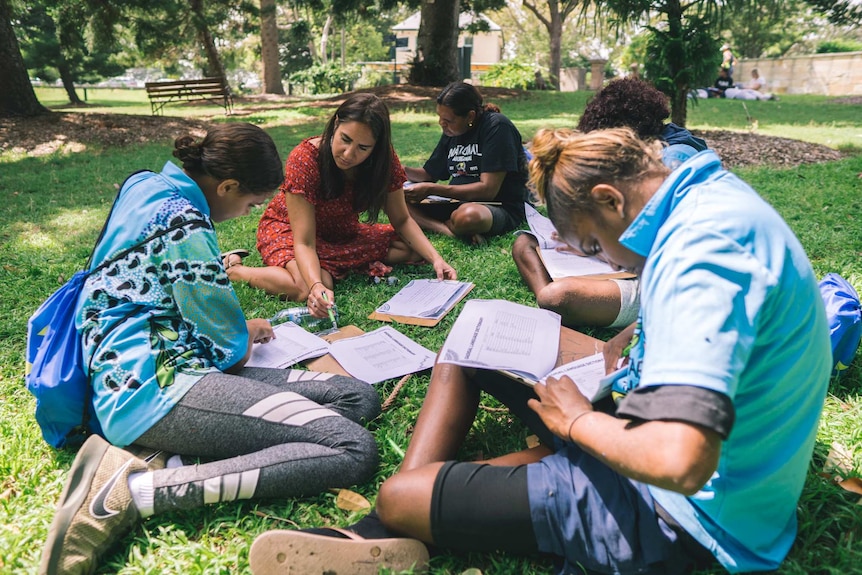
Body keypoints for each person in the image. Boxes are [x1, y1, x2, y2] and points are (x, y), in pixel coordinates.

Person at [248, 127, 832, 575]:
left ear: (611, 199)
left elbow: (681, 461)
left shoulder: (702, 260)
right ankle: (421, 512)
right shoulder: (702, 195)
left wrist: (577, 423)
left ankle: (396, 519)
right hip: (640, 418)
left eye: (595, 244)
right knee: (467, 343)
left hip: (683, 515)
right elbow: (696, 336)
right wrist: (620, 352)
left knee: (403, 496)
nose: (609, 262)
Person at [39, 124, 383, 575]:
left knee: (357, 396)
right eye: (249, 203)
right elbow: (226, 347)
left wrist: (239, 331)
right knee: (352, 446)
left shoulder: (147, 183)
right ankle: (137, 490)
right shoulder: (185, 221)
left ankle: (162, 451)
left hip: (148, 364)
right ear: (226, 186)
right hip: (153, 385)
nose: (246, 212)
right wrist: (248, 331)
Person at [224, 93, 456, 316]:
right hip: (289, 229)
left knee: (411, 250)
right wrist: (316, 284)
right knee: (304, 288)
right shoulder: (305, 158)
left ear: (376, 147)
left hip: (340, 233)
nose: (348, 154)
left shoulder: (384, 162)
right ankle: (235, 270)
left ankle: (328, 265)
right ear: (336, 124)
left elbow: (402, 220)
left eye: (363, 148)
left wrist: (436, 259)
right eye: (345, 139)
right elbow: (304, 241)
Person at [512, 77, 707, 328]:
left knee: (557, 295)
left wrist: (593, 250)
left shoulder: (668, 166)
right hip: (628, 260)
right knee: (524, 243)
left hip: (661, 280)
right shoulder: (643, 160)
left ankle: (565, 299)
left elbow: (656, 257)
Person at [402, 81, 531, 245]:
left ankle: (456, 226)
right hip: (454, 203)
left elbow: (488, 190)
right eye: (440, 117)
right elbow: (429, 174)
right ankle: (447, 230)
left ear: (470, 116)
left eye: (448, 119)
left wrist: (433, 189)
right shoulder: (452, 131)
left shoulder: (497, 127)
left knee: (467, 217)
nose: (442, 123)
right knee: (393, 198)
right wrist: (399, 169)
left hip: (497, 206)